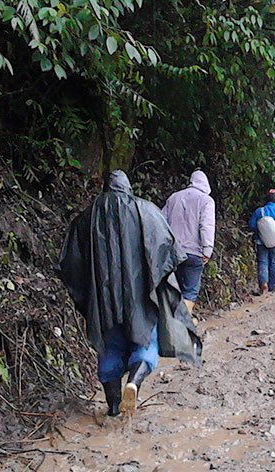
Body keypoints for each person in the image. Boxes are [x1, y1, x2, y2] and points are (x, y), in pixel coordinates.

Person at [58, 171, 199, 417]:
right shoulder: (147, 212)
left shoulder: (85, 219)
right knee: (145, 342)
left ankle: (112, 408)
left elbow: (71, 265)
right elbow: (168, 251)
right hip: (141, 299)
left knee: (109, 350)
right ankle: (134, 382)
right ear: (127, 187)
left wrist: (88, 298)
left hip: (102, 303)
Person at [162, 170, 216, 318]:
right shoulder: (206, 200)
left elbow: (161, 222)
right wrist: (207, 249)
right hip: (194, 253)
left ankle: (171, 324)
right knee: (190, 291)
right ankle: (181, 325)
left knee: (173, 289)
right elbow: (206, 225)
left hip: (172, 252)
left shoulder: (174, 197)